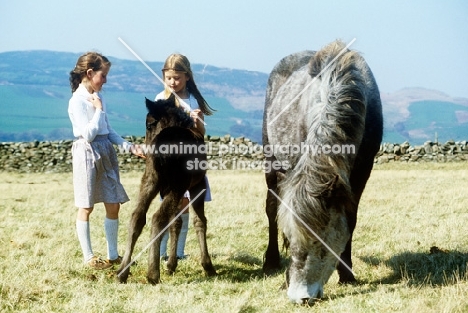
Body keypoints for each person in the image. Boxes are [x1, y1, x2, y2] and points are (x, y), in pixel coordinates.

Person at [68, 52, 144, 269]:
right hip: (87, 153)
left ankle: (113, 255)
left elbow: (107, 131)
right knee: (86, 205)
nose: (106, 80)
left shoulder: (99, 98)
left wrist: (129, 147)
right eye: (103, 75)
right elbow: (88, 134)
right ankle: (89, 257)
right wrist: (99, 109)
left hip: (106, 152)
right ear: (90, 73)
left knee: (113, 204)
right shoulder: (77, 101)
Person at [156, 53, 215, 260]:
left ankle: (179, 252)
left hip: (190, 162)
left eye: (177, 78)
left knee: (185, 206)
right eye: (169, 78)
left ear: (187, 77)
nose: (173, 82)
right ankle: (162, 252)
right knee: (169, 207)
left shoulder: (193, 99)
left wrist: (197, 121)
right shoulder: (161, 99)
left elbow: (201, 133)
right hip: (170, 163)